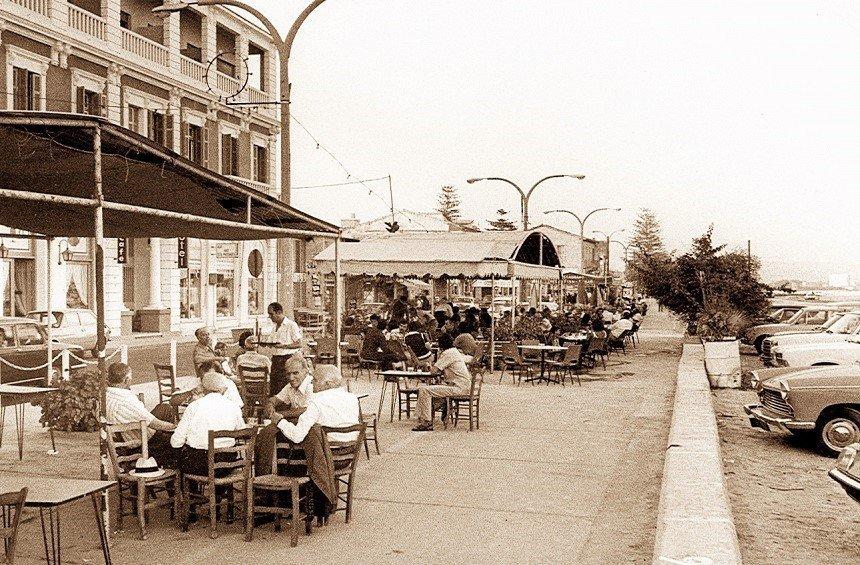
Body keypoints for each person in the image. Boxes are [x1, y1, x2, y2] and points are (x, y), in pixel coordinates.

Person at [170, 372, 246, 476]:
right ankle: (220, 490)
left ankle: (191, 490)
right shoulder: (234, 407)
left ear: (203, 388)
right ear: (223, 389)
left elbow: (176, 441)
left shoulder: (194, 406)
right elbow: (242, 433)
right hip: (227, 463)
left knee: (176, 455)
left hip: (201, 464)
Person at [105, 362, 178, 468]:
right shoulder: (126, 400)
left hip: (124, 437)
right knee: (175, 440)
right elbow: (155, 424)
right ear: (126, 380)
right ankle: (167, 470)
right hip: (139, 444)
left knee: (164, 408)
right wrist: (178, 428)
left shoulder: (106, 395)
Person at [269, 366, 360, 444]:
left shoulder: (316, 400)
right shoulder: (352, 398)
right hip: (350, 451)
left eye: (315, 380)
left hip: (325, 455)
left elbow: (297, 436)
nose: (312, 383)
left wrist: (280, 421)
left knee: (271, 434)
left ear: (327, 383)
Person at [412, 333, 472, 432]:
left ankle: (427, 422)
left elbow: (433, 371)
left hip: (458, 388)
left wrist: (427, 364)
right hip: (462, 386)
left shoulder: (448, 353)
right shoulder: (454, 352)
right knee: (433, 390)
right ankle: (425, 417)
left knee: (424, 390)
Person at [263, 302, 303, 397]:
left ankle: (285, 410)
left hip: (287, 359)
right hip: (276, 360)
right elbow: (272, 342)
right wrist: (266, 343)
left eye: (271, 314)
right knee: (274, 387)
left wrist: (284, 346)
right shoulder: (274, 327)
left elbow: (299, 343)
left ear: (279, 312)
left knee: (285, 387)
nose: (270, 317)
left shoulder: (291, 325)